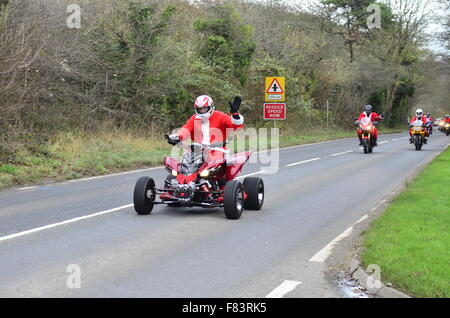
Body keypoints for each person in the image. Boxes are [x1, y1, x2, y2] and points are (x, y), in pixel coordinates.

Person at [166, 95, 244, 179]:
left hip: (217, 149)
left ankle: (222, 181)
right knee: (183, 164)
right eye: (200, 109)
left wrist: (235, 114)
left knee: (223, 168)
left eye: (205, 108)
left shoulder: (220, 116)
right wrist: (176, 137)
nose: (202, 111)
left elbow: (236, 126)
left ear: (210, 107)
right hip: (197, 150)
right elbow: (186, 129)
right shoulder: (194, 118)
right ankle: (183, 181)